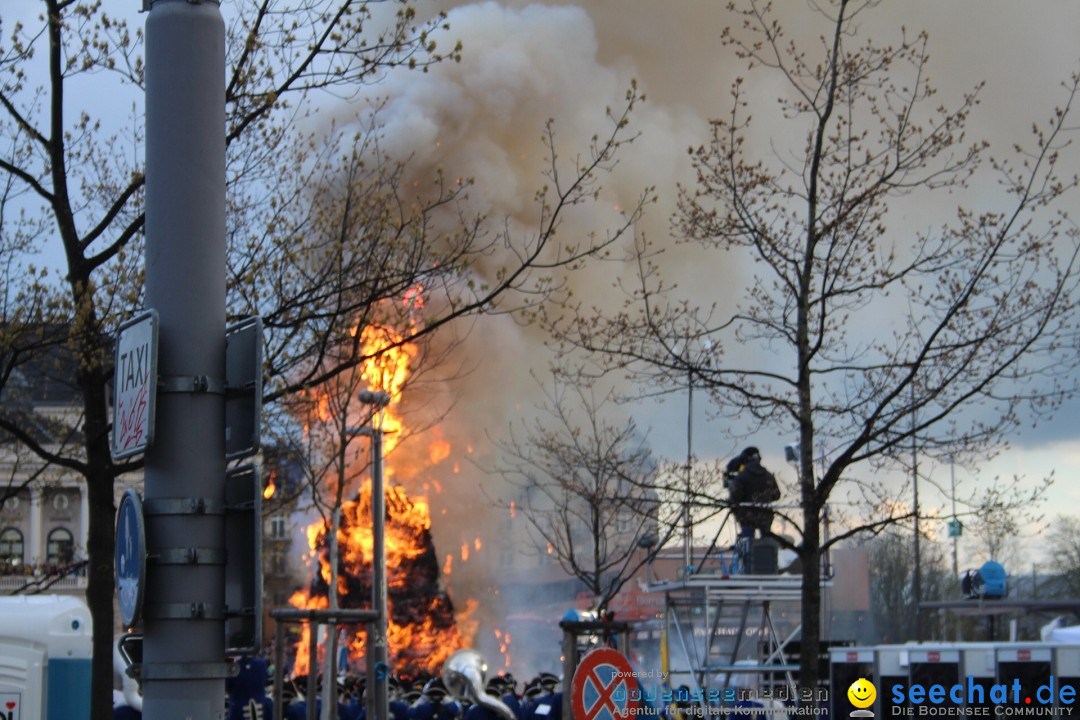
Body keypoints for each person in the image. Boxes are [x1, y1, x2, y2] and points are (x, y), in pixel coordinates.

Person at [726, 447, 778, 552]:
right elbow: (776, 495)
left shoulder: (741, 477)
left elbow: (735, 498)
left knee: (747, 543)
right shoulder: (768, 475)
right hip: (766, 516)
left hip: (746, 517)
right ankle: (766, 562)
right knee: (766, 543)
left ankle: (747, 562)